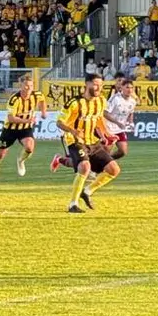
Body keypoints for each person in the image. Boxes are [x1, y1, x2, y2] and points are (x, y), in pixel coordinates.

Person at [56, 75, 114, 213]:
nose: (98, 87)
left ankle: (87, 192)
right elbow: (59, 122)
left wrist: (106, 135)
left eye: (100, 84)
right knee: (85, 166)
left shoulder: (100, 101)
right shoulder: (74, 103)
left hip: (92, 141)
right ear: (87, 84)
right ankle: (73, 204)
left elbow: (99, 120)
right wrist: (73, 131)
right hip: (74, 140)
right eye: (95, 84)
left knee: (114, 170)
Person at [0, 73, 47, 184]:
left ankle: (20, 160)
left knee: (29, 148)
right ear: (21, 86)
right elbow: (11, 118)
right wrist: (27, 121)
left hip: (25, 129)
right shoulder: (14, 99)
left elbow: (43, 100)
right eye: (26, 85)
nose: (28, 88)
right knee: (0, 154)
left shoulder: (37, 95)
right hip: (10, 129)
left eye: (31, 85)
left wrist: (44, 112)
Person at [104, 75, 139, 161]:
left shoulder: (132, 101)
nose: (129, 90)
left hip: (119, 129)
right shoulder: (115, 98)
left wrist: (131, 123)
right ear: (122, 88)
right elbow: (105, 113)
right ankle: (98, 166)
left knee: (123, 151)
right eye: (127, 87)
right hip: (108, 128)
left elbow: (130, 113)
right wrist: (117, 123)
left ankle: (106, 162)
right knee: (106, 151)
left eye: (131, 88)